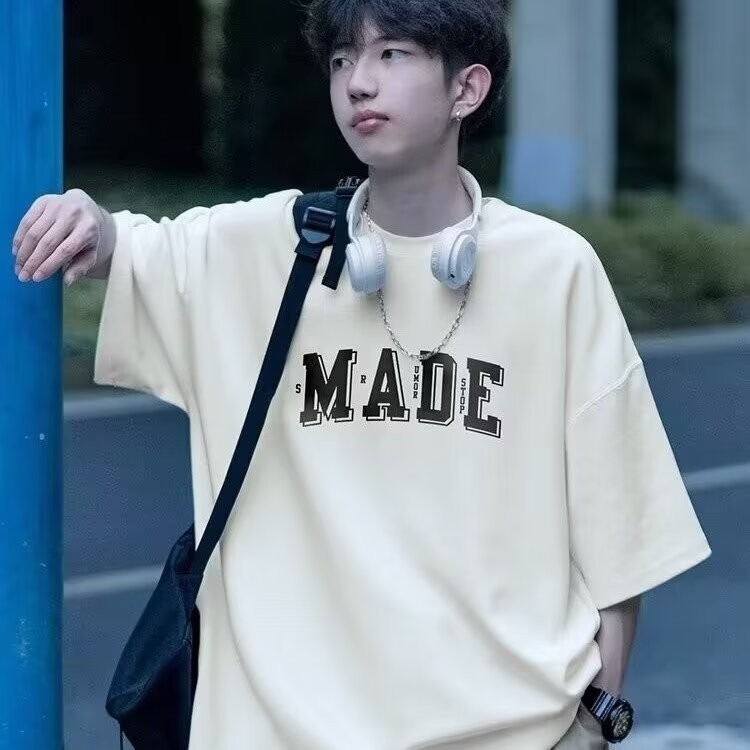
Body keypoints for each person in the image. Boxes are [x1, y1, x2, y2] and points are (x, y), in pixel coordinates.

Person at [11, 1, 711, 748]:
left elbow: (618, 540)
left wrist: (594, 725)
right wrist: (86, 221)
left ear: (467, 89)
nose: (358, 83)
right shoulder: (274, 248)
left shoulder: (554, 272)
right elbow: (122, 246)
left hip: (507, 732)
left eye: (392, 55)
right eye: (343, 60)